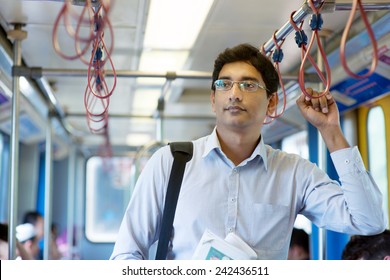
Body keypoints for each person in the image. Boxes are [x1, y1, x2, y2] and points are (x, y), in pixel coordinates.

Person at [110, 43, 386, 260]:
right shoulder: (170, 163)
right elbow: (126, 253)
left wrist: (331, 131)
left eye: (248, 84)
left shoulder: (294, 173)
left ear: (271, 102)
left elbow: (368, 221)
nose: (234, 93)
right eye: (224, 84)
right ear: (213, 99)